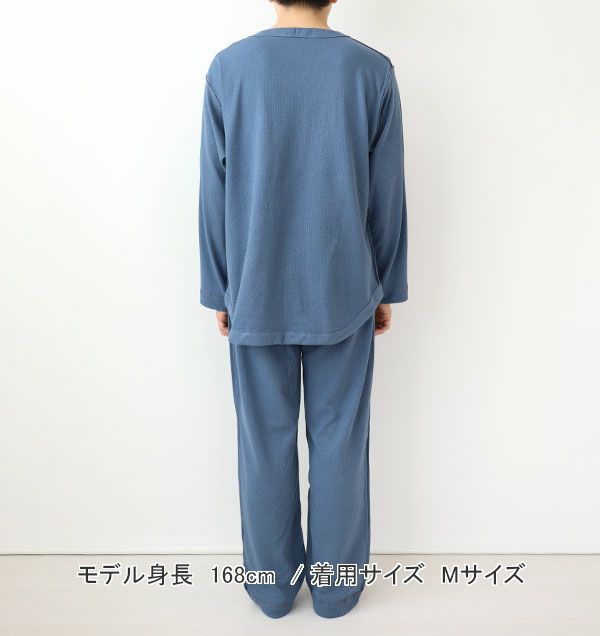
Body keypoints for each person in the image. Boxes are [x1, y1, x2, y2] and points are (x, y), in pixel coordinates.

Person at [198, 0, 408, 620]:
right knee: (341, 439)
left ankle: (270, 590)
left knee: (263, 442)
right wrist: (385, 285)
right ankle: (338, 593)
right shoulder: (370, 70)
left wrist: (220, 287)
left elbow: (214, 189)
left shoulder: (230, 68)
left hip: (255, 287)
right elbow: (387, 190)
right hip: (343, 287)